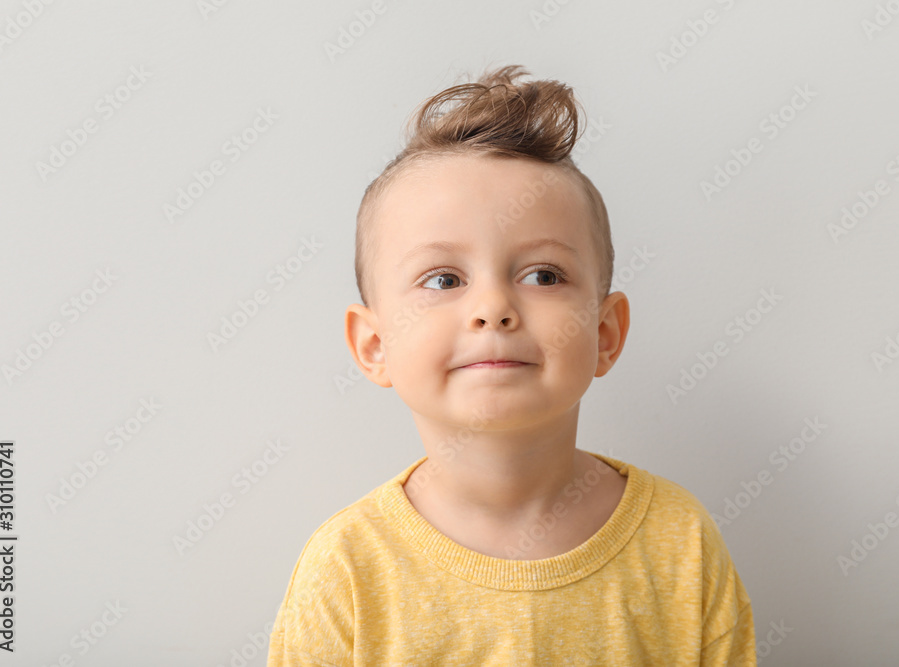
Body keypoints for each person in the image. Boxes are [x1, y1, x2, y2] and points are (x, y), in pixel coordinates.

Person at [266, 64, 757, 666]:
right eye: (443, 278)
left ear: (605, 334)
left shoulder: (682, 543)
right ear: (374, 345)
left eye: (543, 275)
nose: (493, 308)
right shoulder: (347, 568)